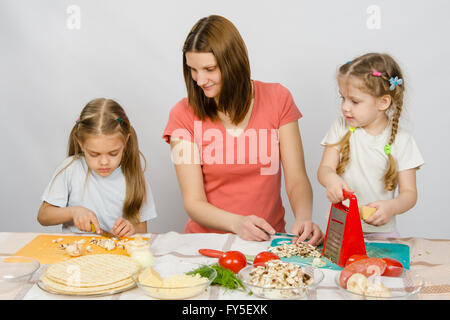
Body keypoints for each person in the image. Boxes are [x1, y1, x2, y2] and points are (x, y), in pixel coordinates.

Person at [163, 15, 323, 244]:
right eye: (193, 70)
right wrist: (237, 223)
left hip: (268, 240)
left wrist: (304, 218)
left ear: (233, 63)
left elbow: (297, 178)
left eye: (209, 69)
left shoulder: (279, 99)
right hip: (206, 244)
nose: (199, 80)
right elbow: (193, 202)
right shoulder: (182, 114)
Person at [317, 53, 424, 238]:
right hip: (339, 229)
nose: (345, 107)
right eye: (342, 98)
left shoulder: (401, 140)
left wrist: (392, 207)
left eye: (355, 101)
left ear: (383, 102)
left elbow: (409, 193)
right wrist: (331, 180)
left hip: (382, 233)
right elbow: (325, 169)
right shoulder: (340, 127)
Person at [37, 98, 157, 237]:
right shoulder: (71, 169)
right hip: (78, 253)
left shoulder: (134, 177)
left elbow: (142, 232)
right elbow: (43, 216)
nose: (104, 162)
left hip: (116, 256)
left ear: (126, 142)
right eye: (94, 154)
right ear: (81, 144)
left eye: (113, 153)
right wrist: (72, 212)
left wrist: (130, 229)